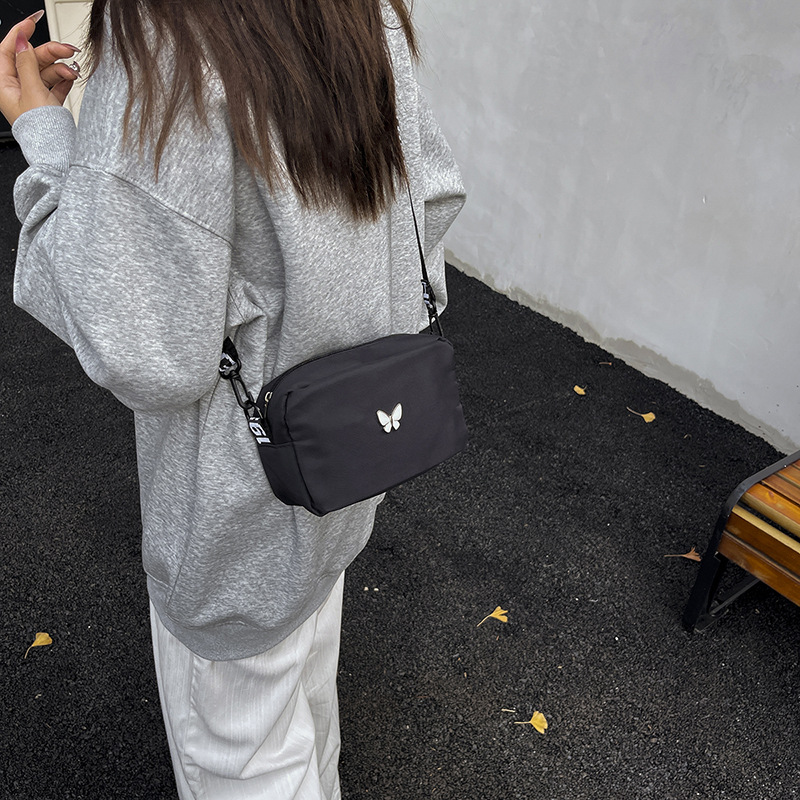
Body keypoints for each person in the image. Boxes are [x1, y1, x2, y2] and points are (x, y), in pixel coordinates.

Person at [0, 2, 464, 798]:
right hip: (349, 451)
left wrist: (44, 137)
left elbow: (136, 341)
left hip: (236, 502)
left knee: (243, 752)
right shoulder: (357, 11)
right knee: (301, 700)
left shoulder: (165, 34)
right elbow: (436, 198)